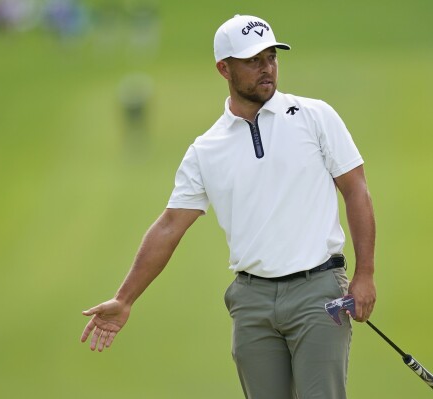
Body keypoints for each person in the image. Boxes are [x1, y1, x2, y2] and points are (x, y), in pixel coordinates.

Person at [80, 14, 376, 399]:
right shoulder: (206, 149)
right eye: (254, 61)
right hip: (251, 302)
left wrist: (365, 274)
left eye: (271, 57)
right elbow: (170, 225)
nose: (267, 68)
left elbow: (356, 190)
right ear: (224, 68)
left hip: (318, 293)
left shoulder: (314, 117)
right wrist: (124, 298)